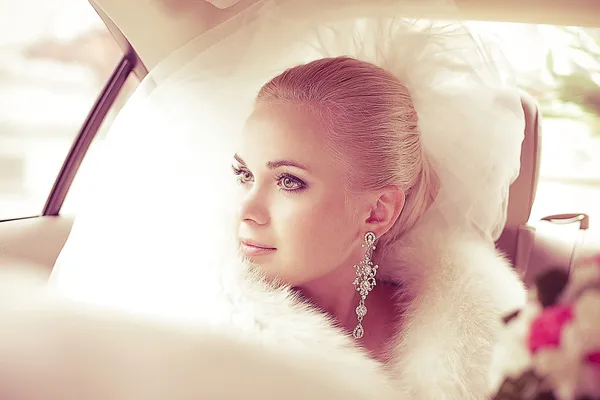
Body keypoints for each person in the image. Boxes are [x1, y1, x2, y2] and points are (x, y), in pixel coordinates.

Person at [0, 0, 528, 398]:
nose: (247, 209)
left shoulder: (487, 338)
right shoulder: (194, 329)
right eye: (243, 174)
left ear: (377, 210)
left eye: (290, 180)